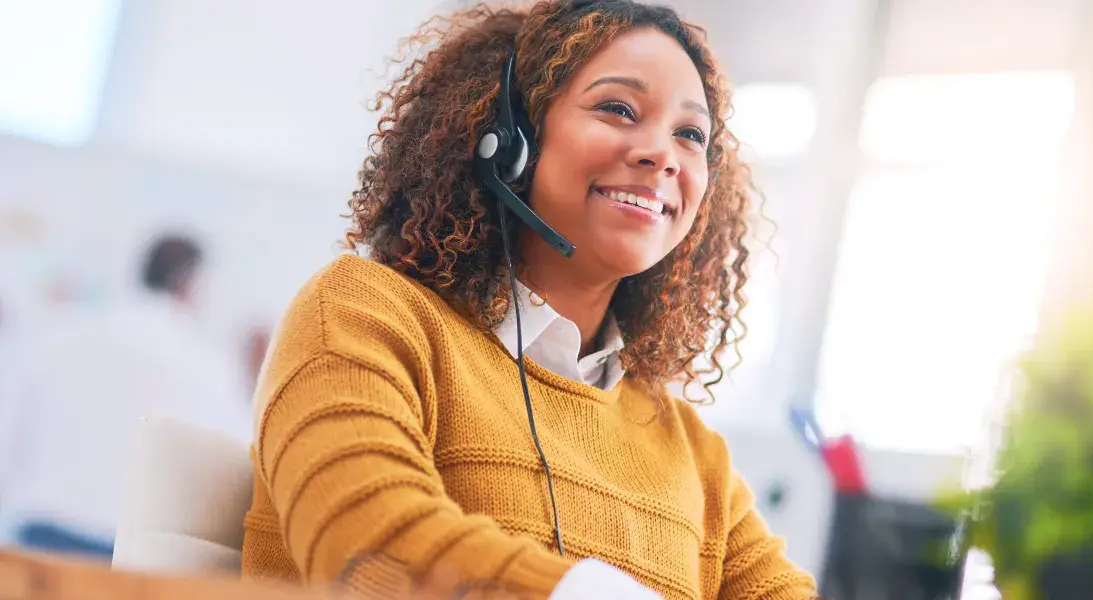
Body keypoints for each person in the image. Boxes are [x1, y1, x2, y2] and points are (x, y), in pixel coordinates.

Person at [243, 1, 815, 598]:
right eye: (618, 109)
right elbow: (365, 543)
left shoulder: (694, 453)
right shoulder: (364, 313)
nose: (662, 154)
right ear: (507, 139)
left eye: (690, 135)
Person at [0, 234, 251, 559]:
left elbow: (10, 428)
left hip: (40, 539)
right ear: (192, 284)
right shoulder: (208, 367)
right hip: (132, 559)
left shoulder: (65, 335)